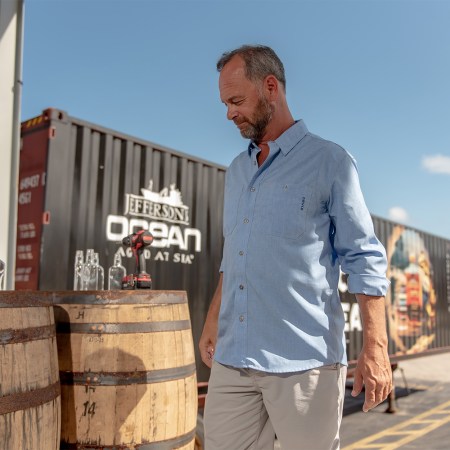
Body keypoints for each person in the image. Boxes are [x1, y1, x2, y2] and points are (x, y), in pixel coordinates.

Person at [199, 44, 392, 450]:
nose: (229, 113)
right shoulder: (236, 171)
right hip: (233, 360)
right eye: (225, 104)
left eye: (236, 101)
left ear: (271, 87)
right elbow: (233, 256)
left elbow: (364, 258)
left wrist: (375, 348)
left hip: (305, 365)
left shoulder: (331, 162)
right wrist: (214, 318)